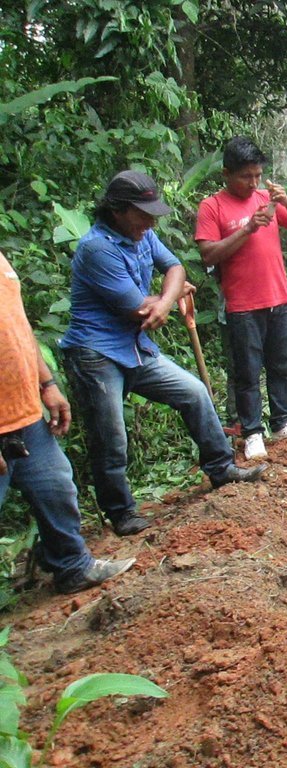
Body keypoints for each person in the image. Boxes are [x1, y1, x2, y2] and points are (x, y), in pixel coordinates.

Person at [59, 171, 266, 538]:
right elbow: (136, 308)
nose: (150, 222)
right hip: (96, 353)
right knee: (111, 436)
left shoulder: (142, 234)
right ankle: (121, 513)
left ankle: (221, 468)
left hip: (135, 347)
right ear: (119, 211)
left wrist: (166, 299)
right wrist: (168, 297)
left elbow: (174, 267)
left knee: (193, 393)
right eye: (143, 214)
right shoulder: (97, 249)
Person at [1, 250, 135, 593]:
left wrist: (46, 383)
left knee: (56, 488)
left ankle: (73, 566)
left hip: (24, 413)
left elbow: (18, 324)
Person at [195, 136, 287, 460]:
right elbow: (208, 255)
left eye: (258, 175)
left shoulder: (266, 199)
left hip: (279, 297)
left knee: (281, 365)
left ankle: (282, 422)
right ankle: (252, 432)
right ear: (226, 174)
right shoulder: (212, 206)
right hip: (242, 304)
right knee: (247, 372)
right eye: (246, 176)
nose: (254, 182)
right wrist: (247, 228)